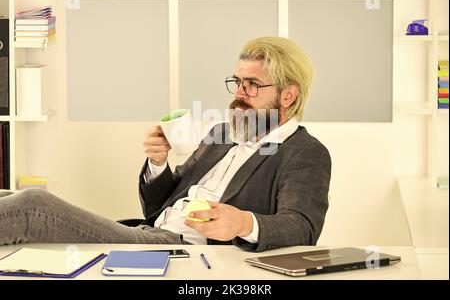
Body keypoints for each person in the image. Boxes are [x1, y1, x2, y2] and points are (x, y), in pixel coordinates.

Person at [0, 36, 331, 252]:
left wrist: (243, 222)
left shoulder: (304, 152)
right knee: (9, 198)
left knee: (34, 206)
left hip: (177, 248)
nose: (238, 94)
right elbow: (158, 208)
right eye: (237, 82)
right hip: (150, 232)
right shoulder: (222, 132)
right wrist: (159, 164)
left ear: (288, 94)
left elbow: (302, 226)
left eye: (253, 85)